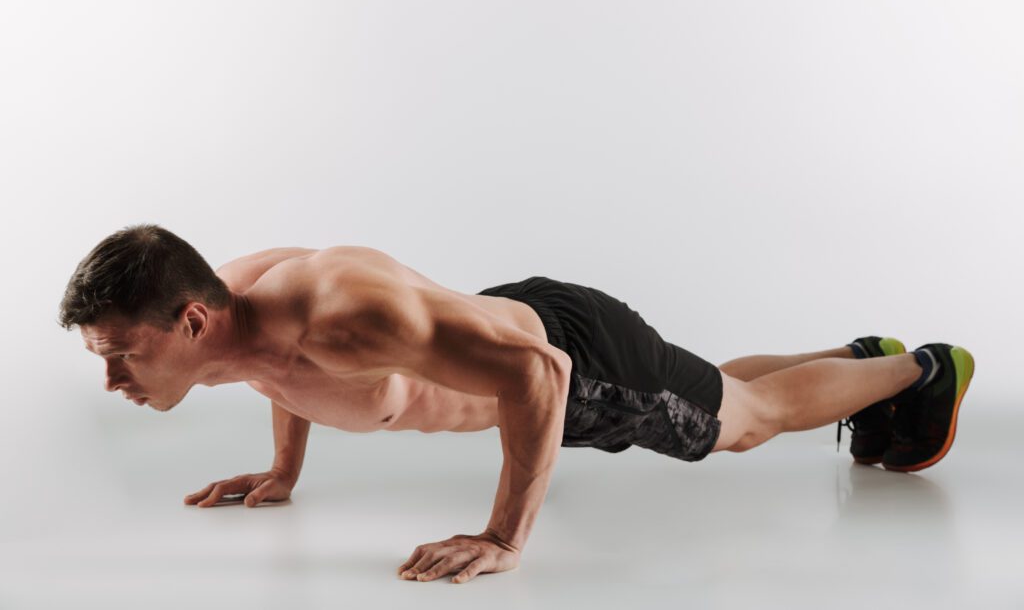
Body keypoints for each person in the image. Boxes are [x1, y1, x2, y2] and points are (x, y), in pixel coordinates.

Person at [58, 223, 975, 585]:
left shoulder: (334, 315)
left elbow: (538, 376)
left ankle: (923, 371)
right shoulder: (229, 310)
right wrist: (285, 469)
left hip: (568, 357)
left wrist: (504, 537)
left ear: (185, 320)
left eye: (120, 357)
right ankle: (862, 358)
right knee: (714, 385)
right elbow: (265, 369)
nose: (113, 381)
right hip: (508, 328)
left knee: (739, 424)